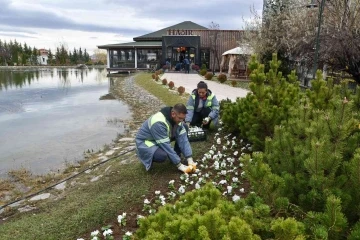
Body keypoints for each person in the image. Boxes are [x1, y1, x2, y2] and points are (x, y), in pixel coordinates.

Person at [135, 103, 196, 173]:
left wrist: (189, 159)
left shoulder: (176, 119)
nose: (181, 121)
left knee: (184, 127)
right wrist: (179, 165)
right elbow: (166, 146)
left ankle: (176, 155)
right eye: (180, 118)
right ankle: (147, 157)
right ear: (173, 114)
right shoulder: (158, 122)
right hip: (146, 143)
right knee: (161, 156)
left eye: (183, 118)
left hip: (160, 138)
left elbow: (183, 140)